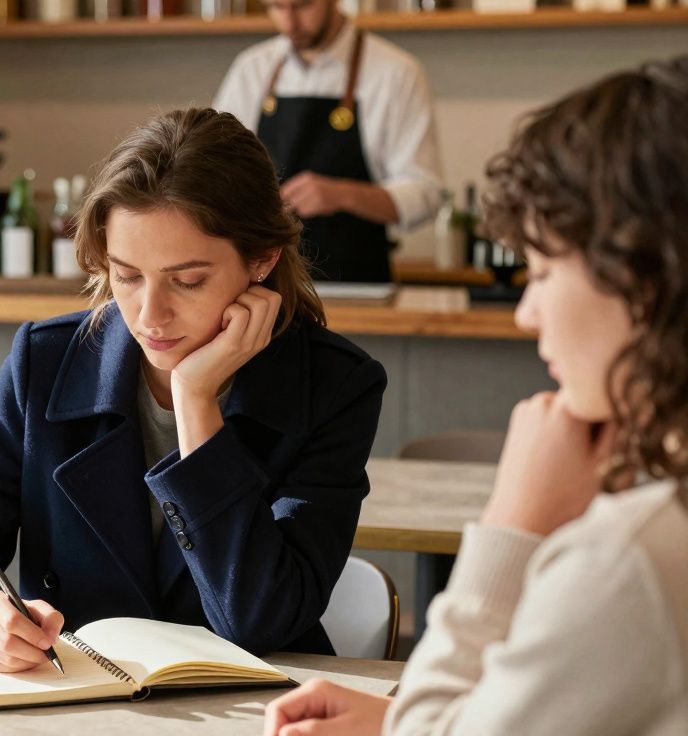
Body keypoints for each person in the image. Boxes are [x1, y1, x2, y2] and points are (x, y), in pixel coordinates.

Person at [263, 56, 688, 736]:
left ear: (644, 279)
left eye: (542, 272)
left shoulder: (629, 558)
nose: (526, 314)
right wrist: (413, 718)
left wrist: (513, 526)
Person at [0, 108, 387, 672]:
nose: (149, 316)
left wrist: (196, 403)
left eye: (187, 281)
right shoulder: (47, 362)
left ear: (262, 260)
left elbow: (259, 618)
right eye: (125, 275)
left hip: (256, 704)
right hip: (79, 702)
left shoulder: (334, 386)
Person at [214, 0, 442, 283]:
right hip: (265, 285)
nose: (289, 22)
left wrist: (343, 194)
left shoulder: (395, 73)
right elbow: (213, 172)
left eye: (302, 6)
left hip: (356, 284)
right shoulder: (251, 70)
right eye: (276, 7)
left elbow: (425, 194)